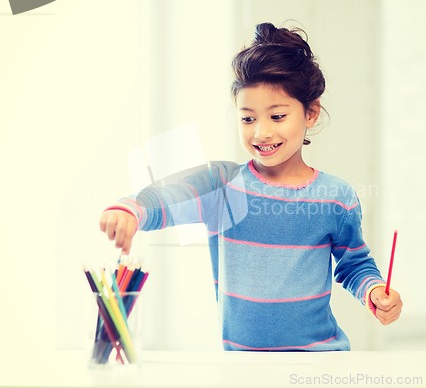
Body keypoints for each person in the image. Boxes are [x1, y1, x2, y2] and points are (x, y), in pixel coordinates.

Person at [99, 22, 403, 351]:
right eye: (247, 118)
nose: (260, 133)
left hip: (320, 357)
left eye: (277, 117)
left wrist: (374, 291)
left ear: (311, 113)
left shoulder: (337, 197)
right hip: (242, 365)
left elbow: (354, 264)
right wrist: (129, 211)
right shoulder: (221, 184)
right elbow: (160, 200)